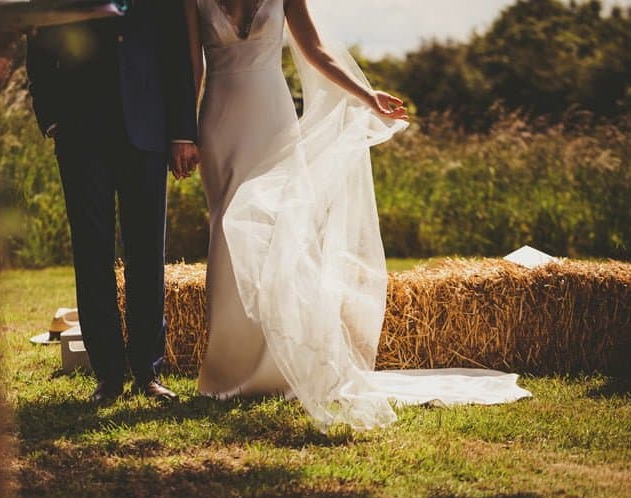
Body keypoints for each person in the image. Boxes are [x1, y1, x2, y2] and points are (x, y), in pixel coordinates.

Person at [187, 0, 531, 431]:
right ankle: (227, 371)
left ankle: (283, 367)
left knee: (282, 233)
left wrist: (367, 96)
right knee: (226, 231)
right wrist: (184, 130)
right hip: (219, 120)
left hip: (271, 118)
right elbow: (192, 67)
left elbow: (317, 51)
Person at [26, 1, 200, 403]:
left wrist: (181, 132)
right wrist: (51, 117)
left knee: (146, 254)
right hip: (81, 134)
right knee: (91, 253)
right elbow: (37, 45)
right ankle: (107, 374)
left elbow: (175, 53)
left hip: (147, 132)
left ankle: (147, 371)